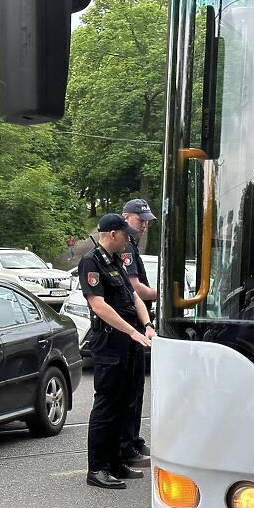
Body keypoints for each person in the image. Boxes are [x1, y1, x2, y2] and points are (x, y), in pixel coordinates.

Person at [78, 213, 155, 490]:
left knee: (124, 402)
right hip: (110, 342)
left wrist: (146, 325)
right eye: (125, 235)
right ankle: (97, 468)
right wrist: (131, 331)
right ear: (113, 234)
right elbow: (98, 305)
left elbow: (134, 297)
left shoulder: (115, 261)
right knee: (107, 405)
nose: (128, 240)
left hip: (128, 342)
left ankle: (116, 461)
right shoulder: (91, 261)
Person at [119, 199, 159, 468]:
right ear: (125, 217)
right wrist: (165, 293)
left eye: (146, 220)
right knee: (130, 389)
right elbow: (137, 289)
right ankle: (127, 444)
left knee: (136, 387)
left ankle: (133, 439)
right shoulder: (126, 250)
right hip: (130, 325)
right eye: (139, 219)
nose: (144, 225)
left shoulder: (131, 246)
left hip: (138, 323)